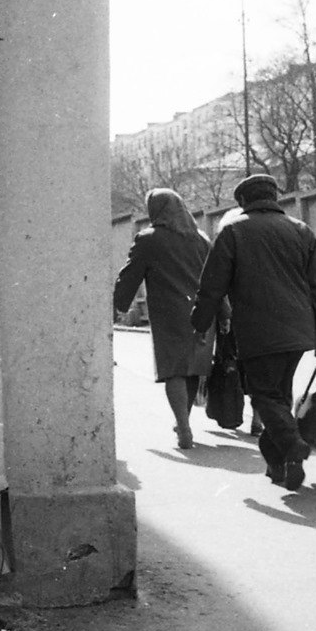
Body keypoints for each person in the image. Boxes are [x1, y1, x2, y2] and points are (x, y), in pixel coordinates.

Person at [191, 173, 316, 491]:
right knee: (278, 397)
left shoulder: (232, 231)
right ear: (275, 197)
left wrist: (199, 325)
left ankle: (293, 446)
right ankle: (278, 465)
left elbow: (211, 287)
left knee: (263, 395)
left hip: (258, 333)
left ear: (243, 202)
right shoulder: (302, 231)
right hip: (299, 333)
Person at [113, 188, 214, 449]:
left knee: (173, 371)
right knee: (192, 369)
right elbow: (216, 278)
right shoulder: (201, 239)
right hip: (203, 314)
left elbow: (130, 274)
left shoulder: (149, 239)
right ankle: (185, 421)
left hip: (171, 314)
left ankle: (183, 426)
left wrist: (118, 304)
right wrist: (223, 313)